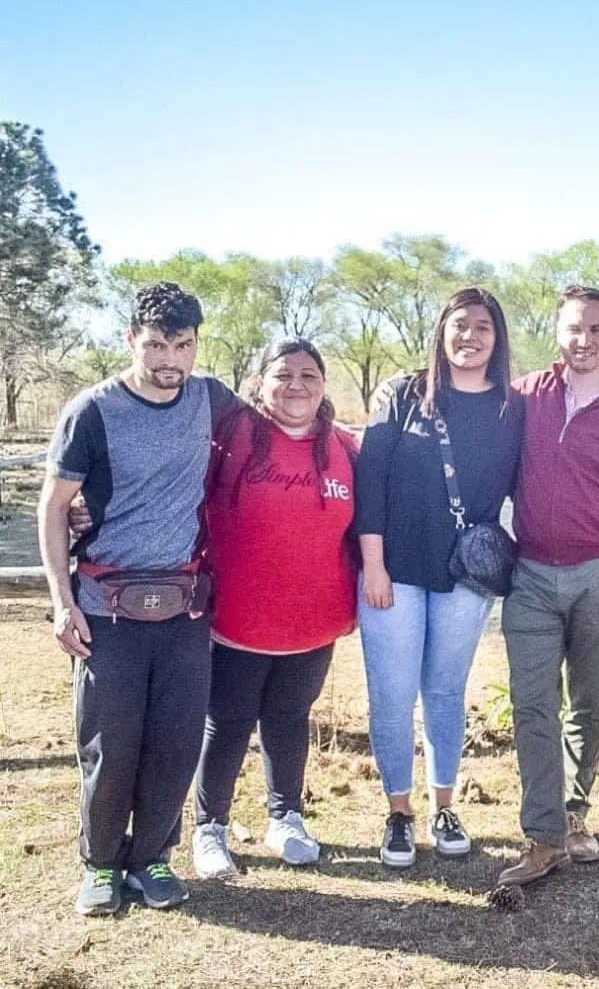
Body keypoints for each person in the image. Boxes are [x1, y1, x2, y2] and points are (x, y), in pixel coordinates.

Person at [38, 282, 239, 916]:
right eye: (156, 345)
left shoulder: (211, 398)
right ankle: (100, 865)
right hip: (105, 610)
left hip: (184, 608)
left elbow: (283, 419)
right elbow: (52, 507)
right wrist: (62, 601)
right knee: (111, 743)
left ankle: (152, 858)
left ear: (196, 345)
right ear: (132, 340)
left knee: (176, 741)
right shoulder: (91, 411)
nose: (169, 361)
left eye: (182, 345)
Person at [497, 285, 599, 887]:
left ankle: (575, 814)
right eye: (574, 329)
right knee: (533, 705)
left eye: (596, 330)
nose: (584, 341)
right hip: (532, 575)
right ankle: (544, 837)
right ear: (557, 333)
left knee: (589, 705)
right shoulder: (526, 397)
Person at [355, 287, 524, 866]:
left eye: (482, 326)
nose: (469, 336)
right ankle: (399, 813)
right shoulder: (405, 394)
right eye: (459, 325)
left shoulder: (512, 407)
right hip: (393, 572)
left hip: (464, 577)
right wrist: (372, 564)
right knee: (394, 694)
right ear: (441, 331)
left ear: (497, 337)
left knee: (447, 692)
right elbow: (370, 479)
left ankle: (443, 805)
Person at [190, 340, 359, 879]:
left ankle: (286, 816)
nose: (296, 385)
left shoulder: (344, 448)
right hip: (239, 617)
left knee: (290, 719)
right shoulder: (231, 437)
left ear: (324, 384)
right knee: (229, 721)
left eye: (310, 375)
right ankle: (209, 827)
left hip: (313, 620)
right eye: (283, 374)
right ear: (260, 383)